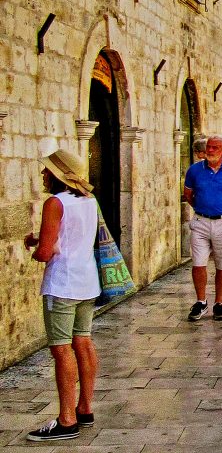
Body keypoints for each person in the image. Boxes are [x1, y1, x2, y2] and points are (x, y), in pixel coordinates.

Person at [23, 150, 102, 442]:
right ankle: (85, 408)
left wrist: (36, 250)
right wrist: (43, 240)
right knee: (83, 341)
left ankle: (66, 420)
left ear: (58, 175)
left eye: (47, 171)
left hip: (62, 285)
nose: (43, 175)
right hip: (87, 281)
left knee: (61, 348)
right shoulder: (89, 200)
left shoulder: (55, 203)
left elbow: (46, 252)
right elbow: (71, 236)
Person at [184, 136, 222, 321]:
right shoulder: (194, 170)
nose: (210, 150)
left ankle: (219, 303)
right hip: (201, 221)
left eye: (215, 148)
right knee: (198, 262)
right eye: (208, 147)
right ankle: (201, 301)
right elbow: (188, 195)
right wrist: (204, 208)